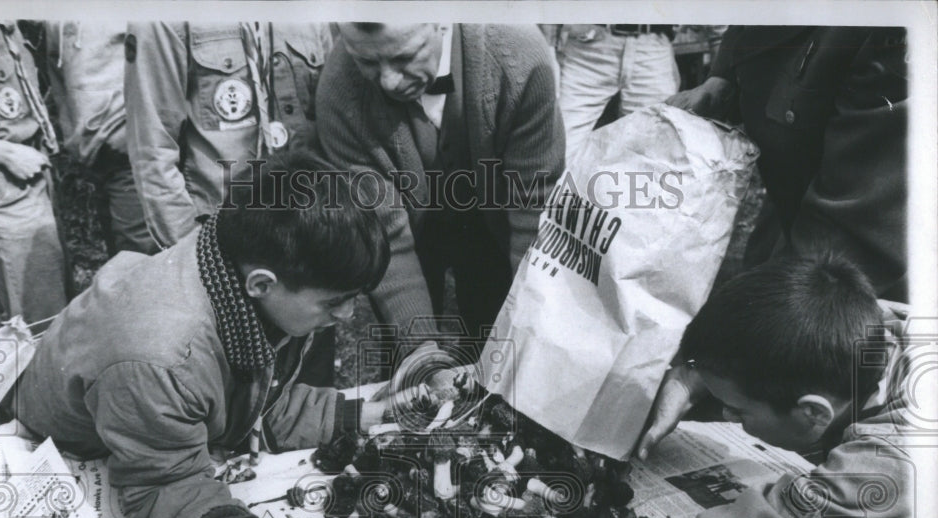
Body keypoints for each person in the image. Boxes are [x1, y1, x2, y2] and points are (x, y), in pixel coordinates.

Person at [374, 254, 914, 518]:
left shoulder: (887, 475)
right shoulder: (884, 332)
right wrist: (695, 371)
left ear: (814, 413)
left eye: (738, 409)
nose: (728, 420)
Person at [10, 151, 392, 518]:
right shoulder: (163, 362)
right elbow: (163, 483)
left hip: (146, 410)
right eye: (335, 302)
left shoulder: (229, 264)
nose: (348, 316)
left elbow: (252, 404)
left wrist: (363, 414)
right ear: (261, 284)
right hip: (64, 448)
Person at [316, 23, 565, 352]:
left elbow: (534, 205)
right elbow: (383, 230)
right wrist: (419, 351)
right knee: (408, 359)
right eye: (368, 62)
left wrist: (527, 325)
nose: (389, 79)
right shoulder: (338, 89)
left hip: (493, 223)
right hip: (411, 231)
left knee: (500, 339)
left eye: (405, 56)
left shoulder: (519, 52)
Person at [125, 21, 336, 385]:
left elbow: (331, 121)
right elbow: (154, 152)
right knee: (234, 399)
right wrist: (196, 267)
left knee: (306, 386)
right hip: (227, 250)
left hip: (309, 239)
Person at [666, 26, 908, 302]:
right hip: (791, 198)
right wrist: (724, 76)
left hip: (868, 243)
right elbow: (748, 24)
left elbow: (854, 237)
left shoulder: (886, 29)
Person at [0, 20, 69, 324]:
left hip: (33, 181)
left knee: (55, 312)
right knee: (40, 323)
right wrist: (0, 152)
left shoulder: (2, 19)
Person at [44, 20, 155, 255]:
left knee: (139, 255)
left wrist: (135, 131)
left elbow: (165, 61)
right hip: (97, 155)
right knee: (120, 251)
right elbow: (57, 74)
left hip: (134, 151)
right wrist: (73, 139)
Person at [549, 24, 680, 164]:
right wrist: (549, 47)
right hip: (589, 45)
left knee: (656, 162)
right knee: (554, 158)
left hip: (652, 46)